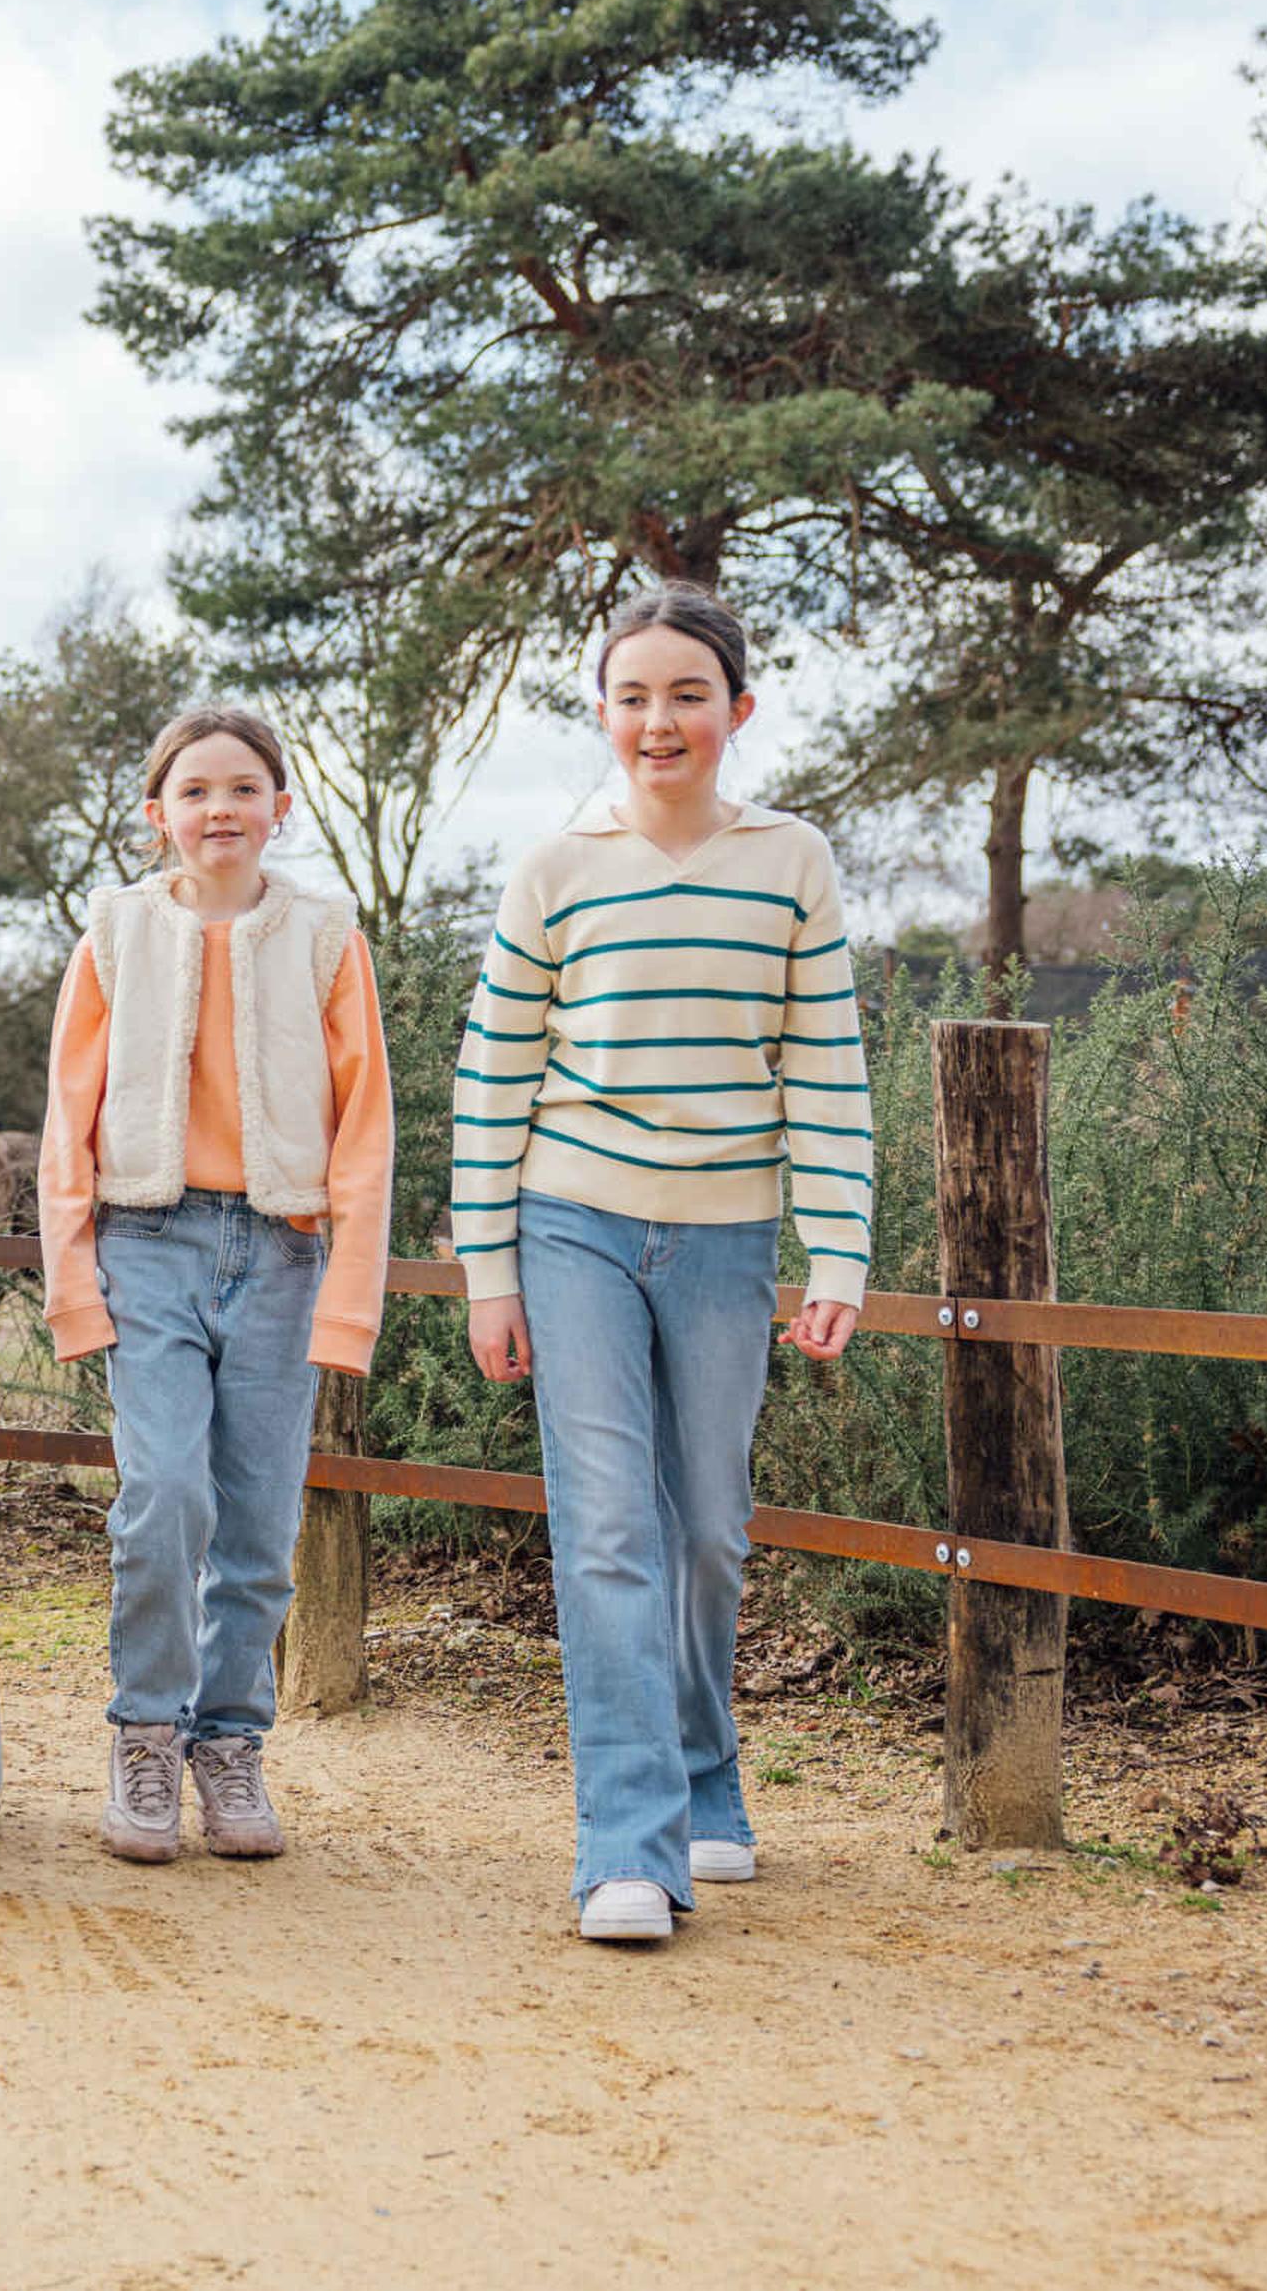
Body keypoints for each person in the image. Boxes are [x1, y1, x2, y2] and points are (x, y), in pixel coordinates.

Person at [451, 589, 874, 1942]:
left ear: (736, 710)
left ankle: (703, 1782)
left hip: (727, 1233)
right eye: (632, 695)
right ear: (602, 713)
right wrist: (488, 1270)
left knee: (705, 1528)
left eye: (687, 693)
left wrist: (840, 1249)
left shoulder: (791, 860)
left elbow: (825, 1066)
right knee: (609, 1530)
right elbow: (494, 1078)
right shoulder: (553, 869)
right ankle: (625, 1847)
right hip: (569, 1220)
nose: (659, 720)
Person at [38, 707, 391, 1865]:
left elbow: (366, 1128)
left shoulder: (327, 938)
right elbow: (68, 1120)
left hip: (281, 1254)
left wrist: (348, 1298)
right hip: (149, 1244)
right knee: (164, 1496)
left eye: (244, 788)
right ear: (159, 815)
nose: (220, 808)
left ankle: (230, 1741)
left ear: (281, 808)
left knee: (260, 1521)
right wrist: (74, 1284)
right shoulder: (114, 934)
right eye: (195, 791)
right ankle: (145, 1732)